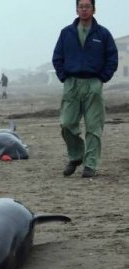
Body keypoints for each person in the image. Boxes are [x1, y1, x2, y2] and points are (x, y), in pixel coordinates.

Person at [53, 0, 118, 178]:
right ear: (76, 9)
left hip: (93, 83)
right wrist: (63, 76)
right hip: (71, 83)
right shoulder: (66, 33)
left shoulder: (103, 34)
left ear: (93, 9)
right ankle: (76, 155)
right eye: (80, 6)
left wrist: (103, 77)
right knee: (66, 123)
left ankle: (90, 164)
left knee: (94, 127)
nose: (84, 9)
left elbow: (112, 57)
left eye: (87, 6)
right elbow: (57, 57)